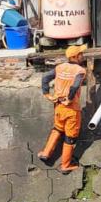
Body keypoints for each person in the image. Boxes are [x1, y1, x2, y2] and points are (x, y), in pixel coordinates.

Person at [39, 44, 88, 174]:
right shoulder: (80, 70)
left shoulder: (59, 67)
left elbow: (45, 78)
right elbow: (75, 86)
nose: (83, 56)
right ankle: (65, 165)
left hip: (58, 106)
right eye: (81, 54)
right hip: (71, 109)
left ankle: (46, 153)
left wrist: (47, 94)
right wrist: (70, 99)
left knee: (57, 128)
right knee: (70, 138)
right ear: (75, 57)